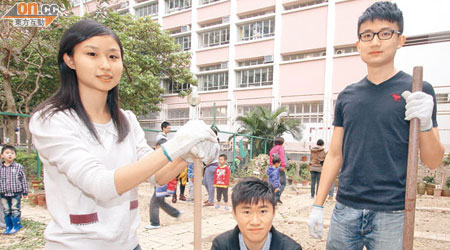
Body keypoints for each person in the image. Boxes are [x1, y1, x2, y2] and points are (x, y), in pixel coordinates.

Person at [29, 19, 217, 249]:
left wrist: (187, 155)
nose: (105, 65)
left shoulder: (126, 119)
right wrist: (177, 144)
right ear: (69, 59)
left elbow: (155, 175)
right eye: (92, 54)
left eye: (113, 56)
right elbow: (100, 185)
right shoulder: (52, 120)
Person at [307, 2, 445, 250]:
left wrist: (424, 123)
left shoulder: (418, 90)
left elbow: (433, 161)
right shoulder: (347, 96)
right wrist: (318, 205)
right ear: (358, 43)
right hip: (345, 210)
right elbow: (336, 154)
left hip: (392, 214)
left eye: (385, 33)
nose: (375, 42)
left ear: (400, 40)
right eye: (367, 35)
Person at [211, 177, 302, 250]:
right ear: (234, 213)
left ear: (274, 212)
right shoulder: (221, 246)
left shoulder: (291, 248)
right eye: (247, 212)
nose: (255, 222)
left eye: (262, 211)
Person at [146, 138, 181, 230]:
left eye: (158, 149)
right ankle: (176, 213)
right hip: (161, 184)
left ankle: (155, 223)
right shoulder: (168, 158)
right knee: (160, 202)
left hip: (161, 184)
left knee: (154, 203)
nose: (156, 151)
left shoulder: (165, 159)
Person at [0, 145, 28, 234]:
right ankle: (9, 226)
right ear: (2, 155)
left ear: (15, 156)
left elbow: (23, 179)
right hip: (3, 193)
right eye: (7, 153)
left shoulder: (18, 167)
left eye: (12, 153)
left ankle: (16, 225)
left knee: (15, 209)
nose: (10, 155)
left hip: (16, 193)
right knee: (6, 210)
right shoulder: (0, 168)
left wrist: (25, 191)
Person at [203, 128, 220, 207]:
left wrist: (205, 162)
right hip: (210, 165)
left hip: (211, 165)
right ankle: (210, 198)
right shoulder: (211, 143)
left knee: (209, 184)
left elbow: (211, 156)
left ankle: (211, 201)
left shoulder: (214, 144)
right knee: (205, 182)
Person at [269, 137, 286, 204]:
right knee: (283, 183)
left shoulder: (272, 149)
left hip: (272, 167)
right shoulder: (280, 148)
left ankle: (277, 198)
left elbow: (270, 159)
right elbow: (282, 157)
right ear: (282, 142)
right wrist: (283, 166)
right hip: (279, 167)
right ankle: (276, 197)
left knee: (275, 183)